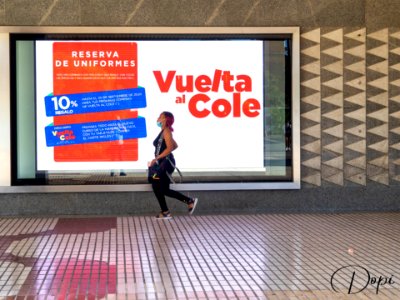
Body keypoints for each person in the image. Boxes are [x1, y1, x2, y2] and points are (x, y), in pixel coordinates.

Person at [149, 111, 198, 220]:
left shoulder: (166, 131)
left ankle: (188, 201)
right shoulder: (164, 132)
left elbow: (170, 148)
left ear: (165, 120)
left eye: (160, 116)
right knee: (157, 186)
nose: (158, 118)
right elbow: (174, 145)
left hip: (165, 164)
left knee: (161, 188)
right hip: (162, 164)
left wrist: (157, 158)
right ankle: (165, 211)